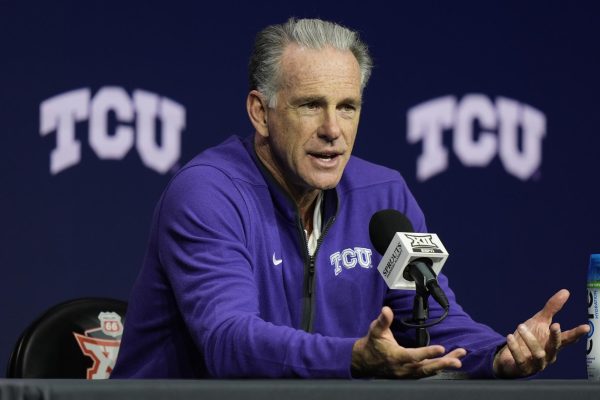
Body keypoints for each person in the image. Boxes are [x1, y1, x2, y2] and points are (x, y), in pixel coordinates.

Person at [111, 18, 588, 379]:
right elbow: (228, 341)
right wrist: (353, 358)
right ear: (260, 112)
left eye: (347, 107)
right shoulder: (209, 193)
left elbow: (432, 319)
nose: (332, 131)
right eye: (310, 105)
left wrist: (500, 355)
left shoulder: (383, 195)